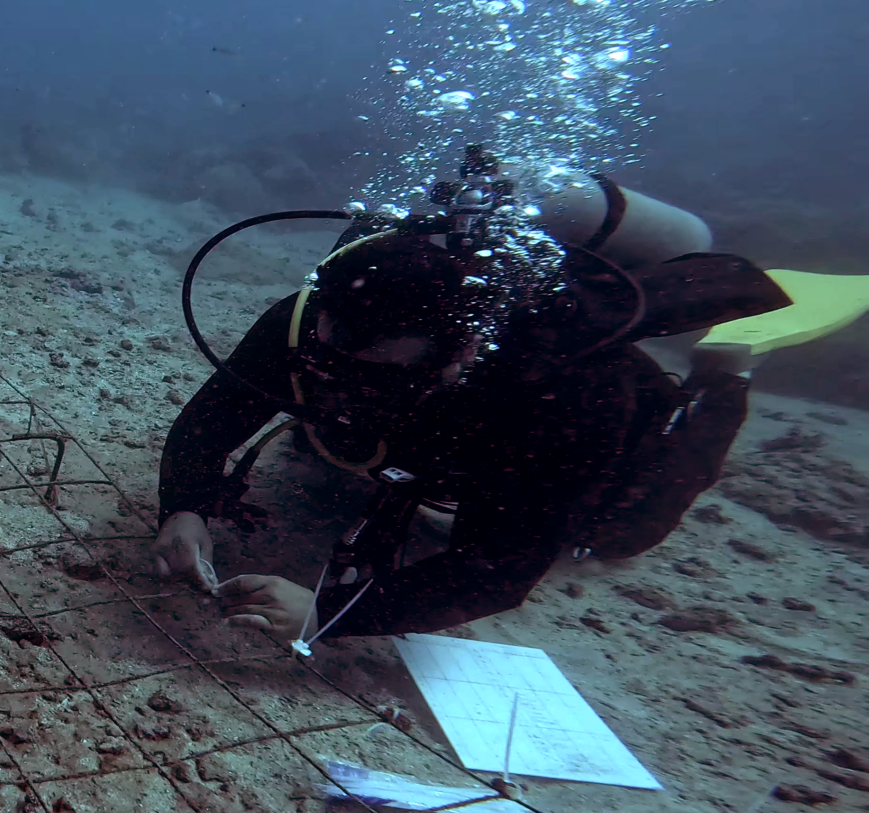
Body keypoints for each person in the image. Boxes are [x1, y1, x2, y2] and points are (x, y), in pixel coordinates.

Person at [151, 149, 795, 644]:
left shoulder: (561, 391)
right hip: (433, 424)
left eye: (376, 372)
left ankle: (726, 375)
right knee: (327, 437)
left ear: (459, 354)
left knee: (621, 531)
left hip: (570, 434)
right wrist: (184, 506)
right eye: (328, 355)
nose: (338, 380)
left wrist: (331, 612)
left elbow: (500, 569)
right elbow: (213, 418)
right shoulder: (309, 322)